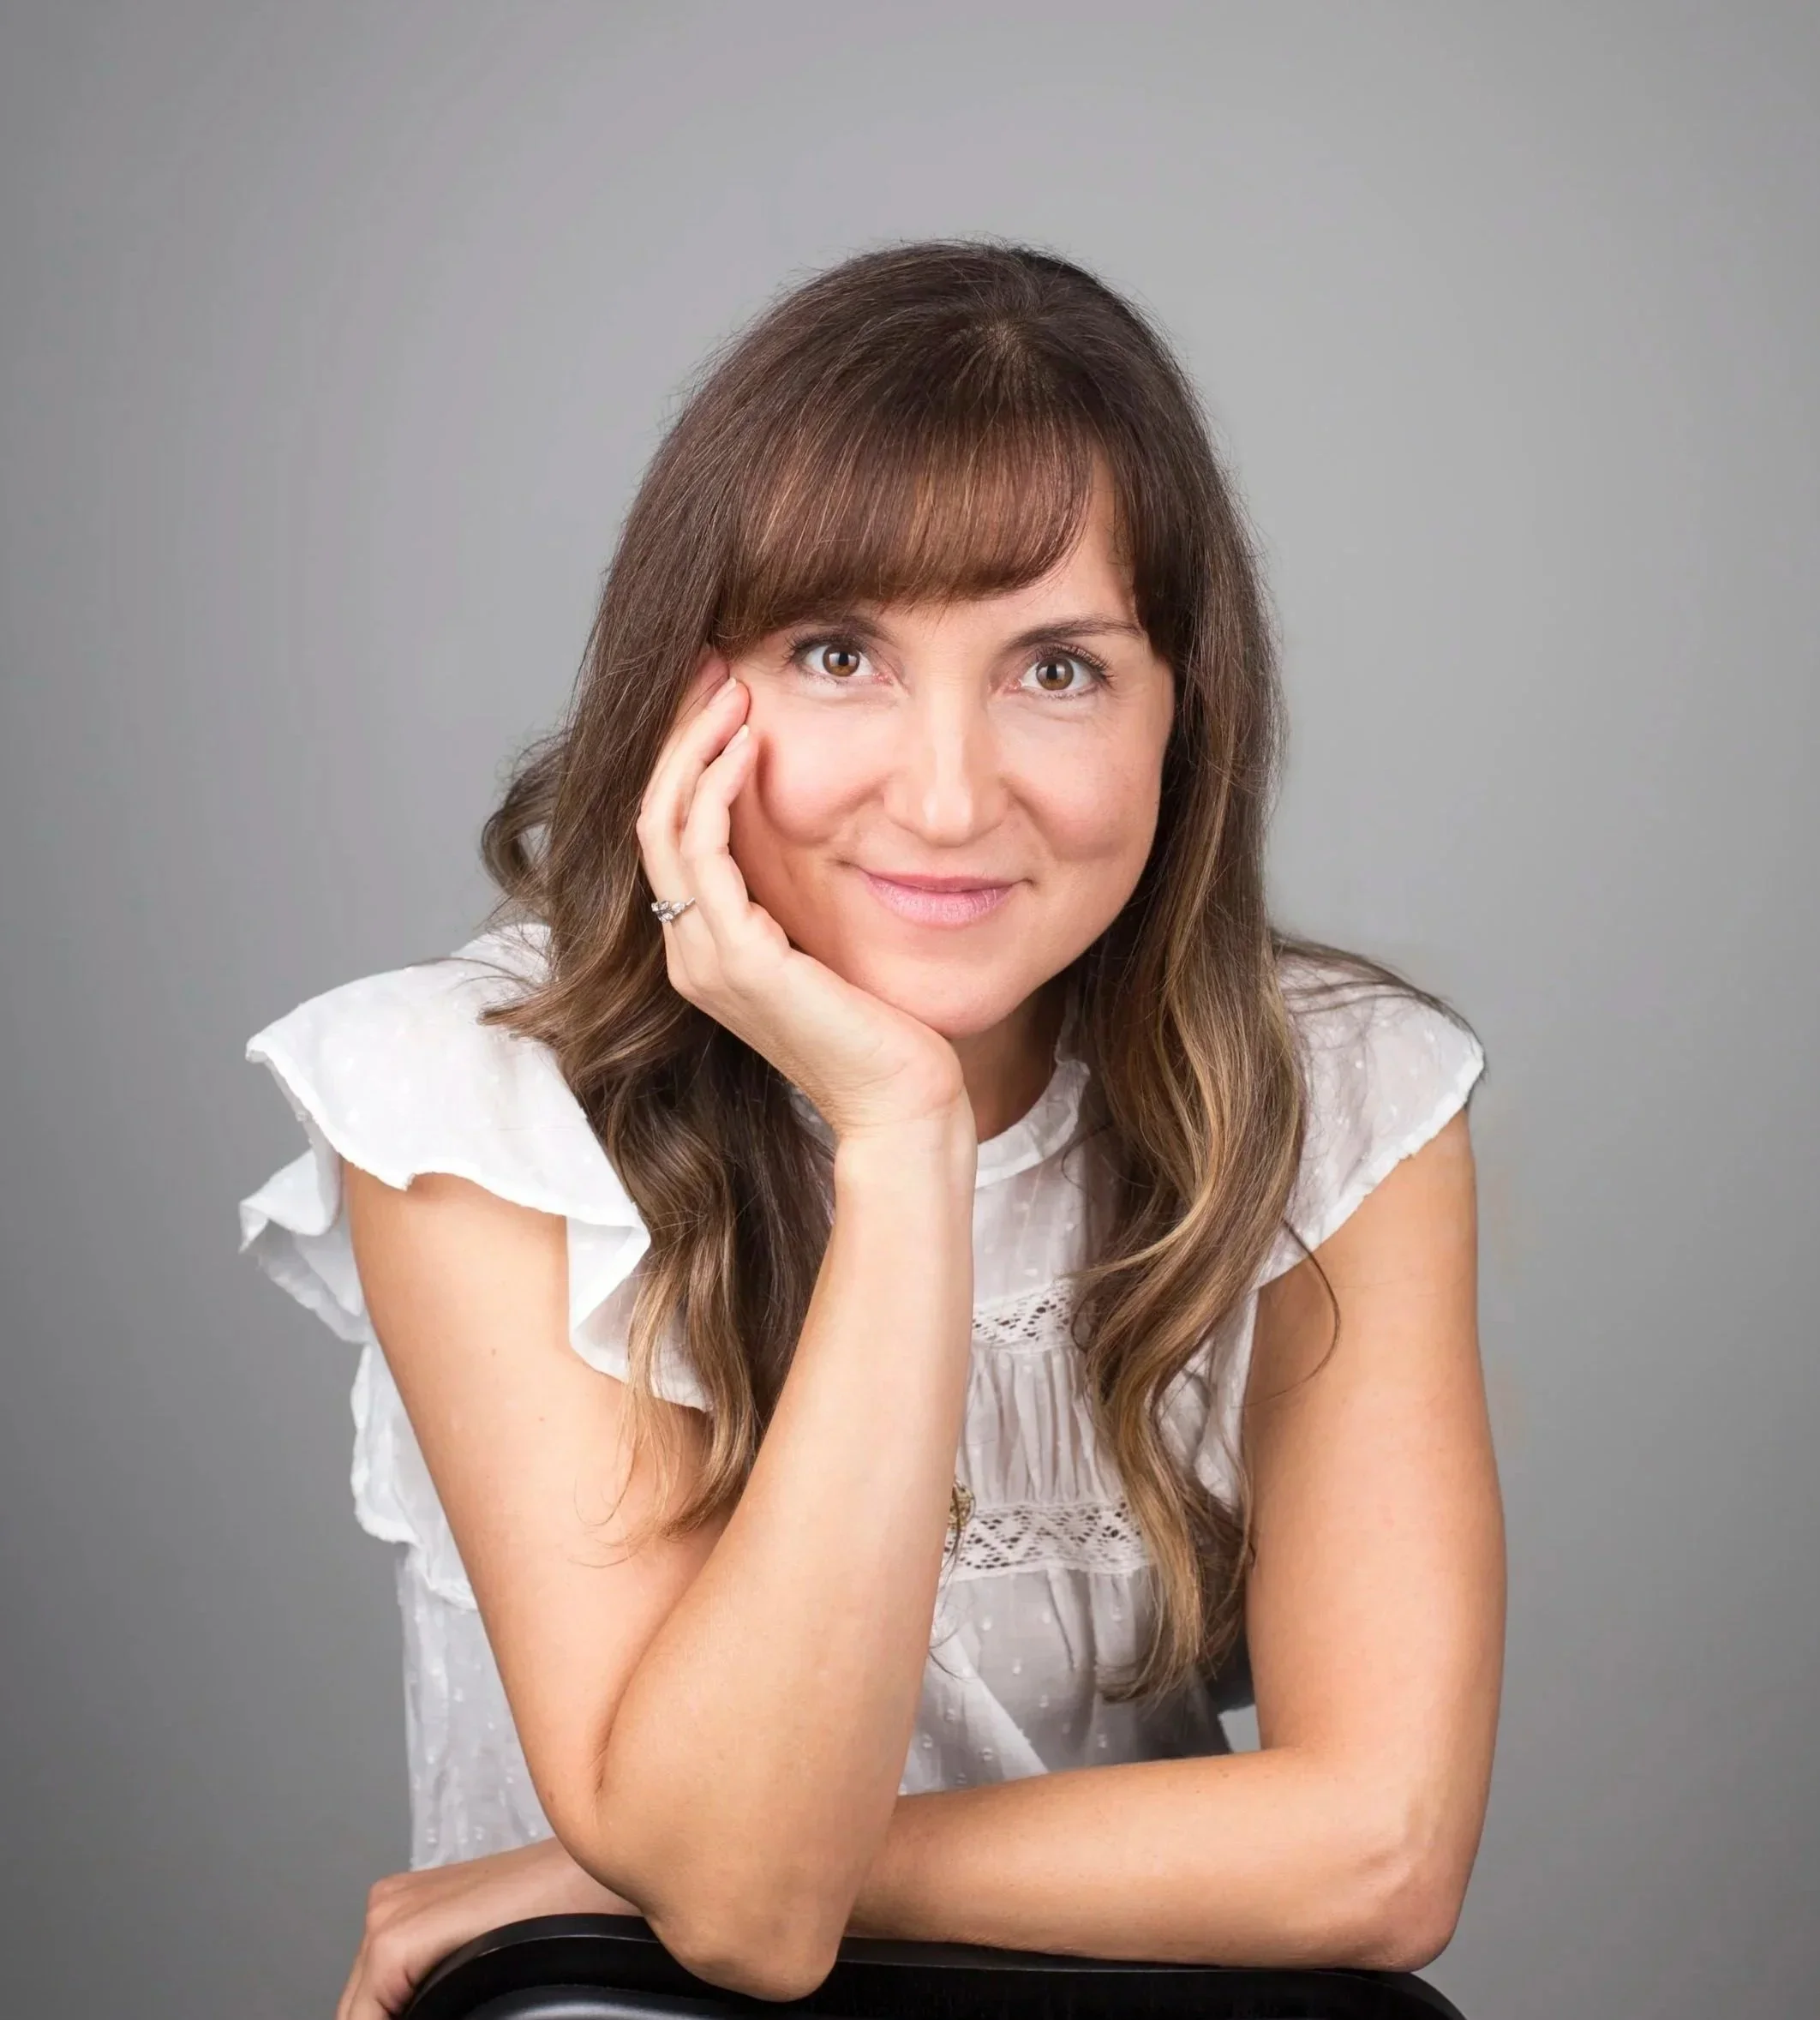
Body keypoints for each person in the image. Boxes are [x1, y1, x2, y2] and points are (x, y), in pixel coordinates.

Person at [237, 239, 1503, 2020]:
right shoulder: (474, 1100)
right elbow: (745, 1929)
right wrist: (898, 1134)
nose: (942, 791)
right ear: (691, 699)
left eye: (1054, 669)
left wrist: (626, 1871)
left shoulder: (1336, 1101)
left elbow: (1380, 1848)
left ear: (1178, 716)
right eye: (841, 653)